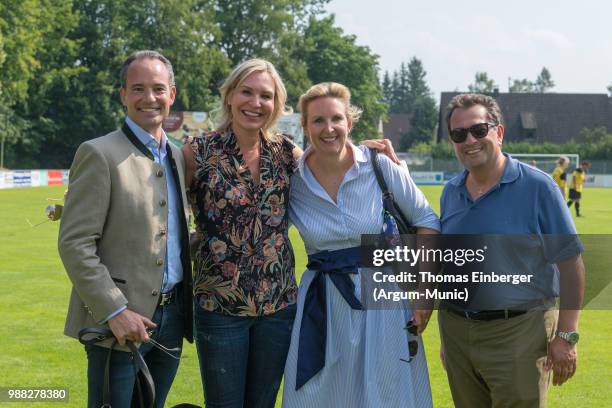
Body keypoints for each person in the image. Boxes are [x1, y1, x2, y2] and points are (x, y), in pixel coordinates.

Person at [183, 60, 399, 408]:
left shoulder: (286, 153)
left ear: (276, 104)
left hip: (278, 305)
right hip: (219, 306)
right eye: (247, 92)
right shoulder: (197, 153)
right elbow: (164, 208)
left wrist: (374, 156)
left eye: (265, 96)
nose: (255, 103)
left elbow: (331, 156)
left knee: (264, 403)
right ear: (230, 96)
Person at [281, 82, 440, 407]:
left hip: (383, 300)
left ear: (349, 123)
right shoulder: (292, 180)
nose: (329, 129)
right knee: (317, 396)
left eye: (336, 119)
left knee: (385, 394)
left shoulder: (380, 166)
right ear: (305, 126)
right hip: (322, 304)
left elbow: (428, 222)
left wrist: (424, 295)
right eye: (318, 121)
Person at [58, 50, 193, 408]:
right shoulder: (97, 153)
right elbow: (75, 244)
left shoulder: (178, 156)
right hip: (116, 325)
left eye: (158, 89)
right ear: (123, 95)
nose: (149, 98)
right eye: (138, 89)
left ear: (172, 95)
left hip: (172, 318)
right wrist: (115, 312)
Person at [439, 93, 585, 408]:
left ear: (499, 133)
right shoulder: (450, 193)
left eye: (479, 130)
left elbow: (572, 265)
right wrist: (450, 339)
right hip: (457, 331)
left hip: (519, 331)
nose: (469, 140)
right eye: (459, 134)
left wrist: (566, 335)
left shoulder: (539, 187)